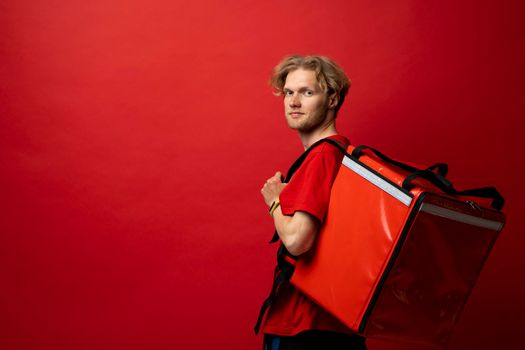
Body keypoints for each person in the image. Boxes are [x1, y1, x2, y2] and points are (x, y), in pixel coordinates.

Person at [256, 55, 367, 350]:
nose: (293, 102)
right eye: (289, 92)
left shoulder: (322, 156)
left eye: (307, 93)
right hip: (333, 321)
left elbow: (297, 241)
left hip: (306, 325)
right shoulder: (340, 151)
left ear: (332, 99)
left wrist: (274, 201)